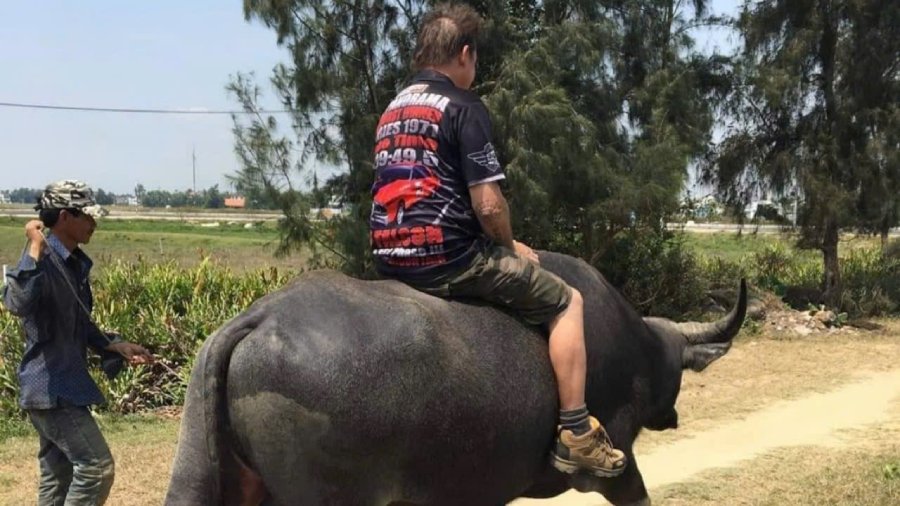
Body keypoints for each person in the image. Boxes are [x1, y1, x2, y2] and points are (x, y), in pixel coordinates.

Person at [369, 4, 626, 477]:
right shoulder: (464, 107)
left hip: (389, 256)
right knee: (567, 302)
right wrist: (508, 246)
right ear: (465, 55)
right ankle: (576, 433)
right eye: (476, 59)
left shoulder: (392, 110)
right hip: (448, 258)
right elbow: (488, 204)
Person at [2, 180, 155, 505]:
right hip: (51, 389)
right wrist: (33, 248)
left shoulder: (73, 264)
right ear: (64, 217)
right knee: (96, 468)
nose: (93, 224)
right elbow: (18, 304)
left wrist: (113, 345)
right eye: (86, 216)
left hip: (61, 386)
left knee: (57, 479)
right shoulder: (40, 259)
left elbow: (77, 324)